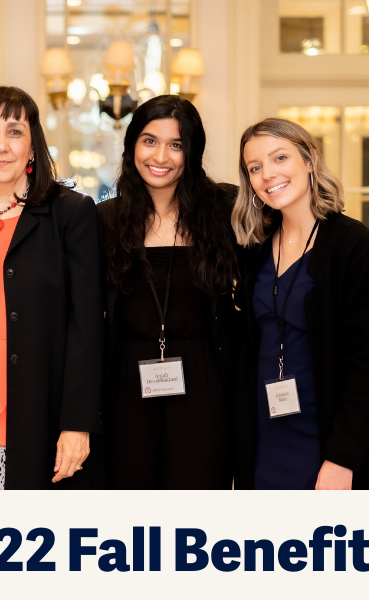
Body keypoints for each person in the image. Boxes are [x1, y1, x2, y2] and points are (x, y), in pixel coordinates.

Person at [0, 86, 102, 490]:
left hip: (44, 416)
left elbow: (88, 329)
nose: (1, 146)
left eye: (14, 132)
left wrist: (77, 424)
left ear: (32, 147)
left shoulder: (70, 214)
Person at [232, 117, 369, 490]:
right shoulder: (253, 248)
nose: (268, 174)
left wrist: (342, 458)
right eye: (255, 168)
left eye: (280, 158)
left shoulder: (352, 245)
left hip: (326, 444)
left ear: (309, 159)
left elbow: (368, 365)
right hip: (264, 438)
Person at [98, 95, 238, 490]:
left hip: (203, 382)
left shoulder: (223, 213)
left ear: (192, 153)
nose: (161, 155)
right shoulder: (103, 222)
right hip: (125, 384)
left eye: (176, 144)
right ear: (131, 146)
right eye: (149, 140)